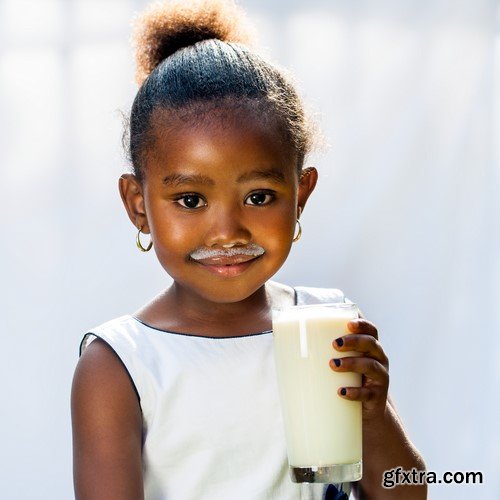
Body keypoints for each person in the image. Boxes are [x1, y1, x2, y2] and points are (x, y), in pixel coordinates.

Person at [71, 1, 426, 498]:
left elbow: (406, 493)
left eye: (259, 197)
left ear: (300, 195)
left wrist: (373, 414)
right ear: (138, 206)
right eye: (190, 199)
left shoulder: (326, 327)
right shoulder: (122, 365)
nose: (228, 232)